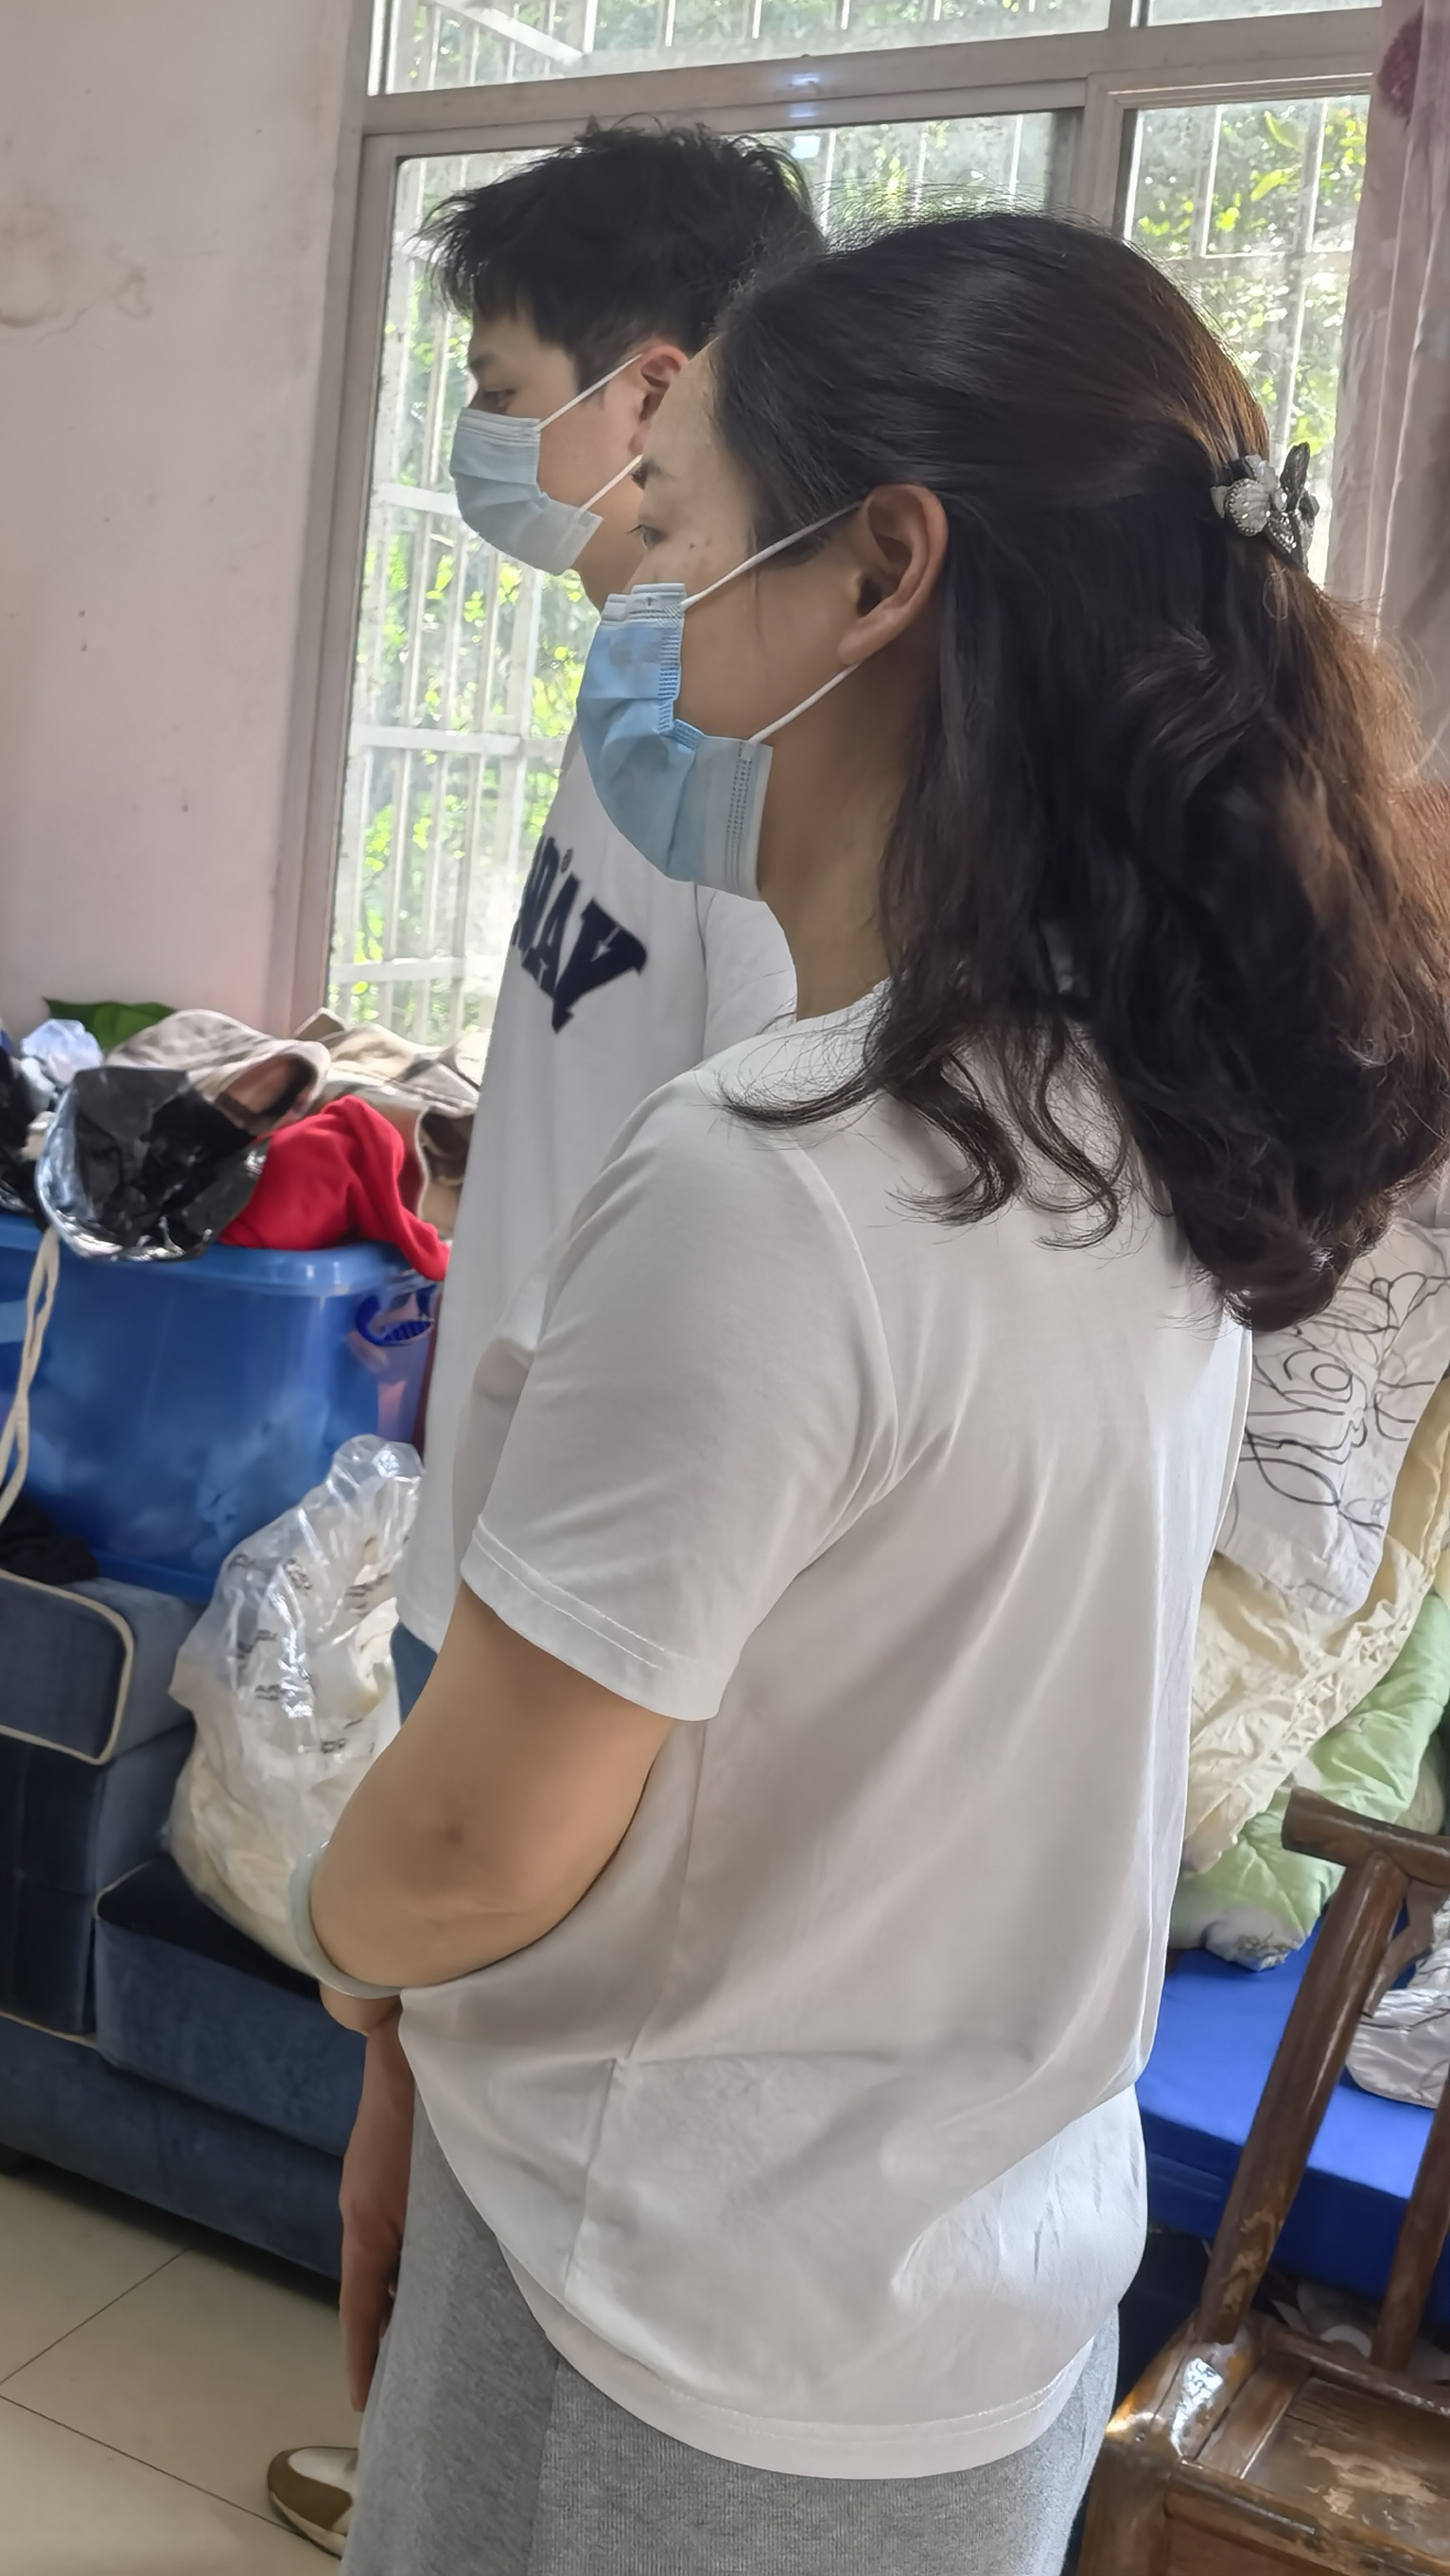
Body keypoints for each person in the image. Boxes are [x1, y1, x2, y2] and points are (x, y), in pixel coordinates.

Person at [308, 212, 1450, 2571]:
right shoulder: (1132, 1115)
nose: (643, 596)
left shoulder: (781, 1170)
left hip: (670, 2316)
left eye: (680, 525)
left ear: (878, 569)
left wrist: (353, 1936)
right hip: (967, 2311)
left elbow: (471, 1845)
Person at [270, 113, 818, 2566]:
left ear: (653, 389)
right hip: (495, 1539)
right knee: (416, 2151)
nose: (482, 448)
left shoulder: (764, 758)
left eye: (505, 391)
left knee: (492, 2153)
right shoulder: (640, 709)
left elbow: (747, 1233)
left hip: (590, 1591)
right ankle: (407, 2468)